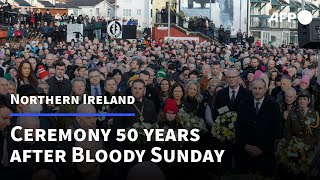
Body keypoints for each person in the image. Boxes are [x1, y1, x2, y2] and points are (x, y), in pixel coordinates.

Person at [236, 78, 281, 176]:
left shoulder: (273, 105)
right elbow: (238, 127)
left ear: (265, 90)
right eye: (255, 88)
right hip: (246, 151)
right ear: (251, 89)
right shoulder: (243, 104)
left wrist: (262, 148)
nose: (257, 91)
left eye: (260, 88)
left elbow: (275, 129)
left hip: (265, 153)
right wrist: (246, 145)